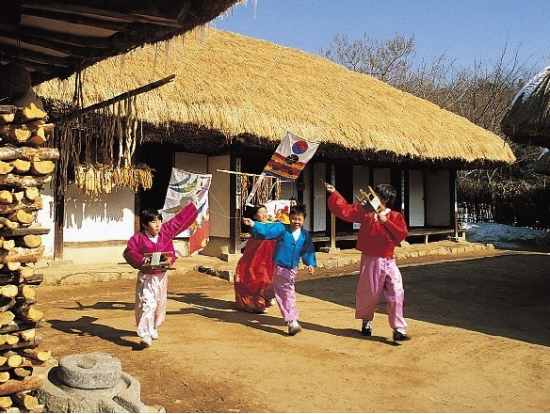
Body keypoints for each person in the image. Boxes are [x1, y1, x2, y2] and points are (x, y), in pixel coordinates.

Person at [325, 183, 411, 341]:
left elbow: (401, 234)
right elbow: (345, 210)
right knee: (369, 293)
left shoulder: (396, 216)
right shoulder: (366, 211)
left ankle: (398, 328)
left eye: (376, 195)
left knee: (397, 292)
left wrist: (386, 221)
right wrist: (334, 193)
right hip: (371, 259)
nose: (373, 197)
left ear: (384, 199)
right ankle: (367, 320)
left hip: (388, 259)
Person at [123, 201, 198, 348]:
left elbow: (179, 221)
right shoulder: (137, 239)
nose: (158, 224)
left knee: (158, 305)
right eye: (153, 221)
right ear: (145, 225)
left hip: (162, 276)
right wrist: (143, 260)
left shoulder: (166, 232)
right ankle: (144, 334)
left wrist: (192, 207)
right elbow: (129, 252)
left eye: (159, 220)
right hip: (147, 277)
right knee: (148, 303)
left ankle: (153, 328)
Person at [242, 204, 316, 335]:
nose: (296, 222)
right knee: (287, 292)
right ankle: (291, 320)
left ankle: (265, 294)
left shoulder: (305, 235)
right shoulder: (282, 228)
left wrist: (310, 263)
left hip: (293, 268)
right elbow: (267, 229)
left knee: (279, 286)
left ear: (304, 220)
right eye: (293, 218)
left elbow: (308, 250)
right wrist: (253, 224)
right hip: (281, 267)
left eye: (299, 219)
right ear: (289, 218)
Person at [234, 204, 276, 313]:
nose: (264, 215)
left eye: (265, 212)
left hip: (269, 258)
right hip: (257, 259)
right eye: (261, 213)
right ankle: (259, 303)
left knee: (270, 279)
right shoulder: (256, 227)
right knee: (259, 279)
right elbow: (260, 234)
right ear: (255, 216)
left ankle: (265, 299)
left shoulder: (273, 224)